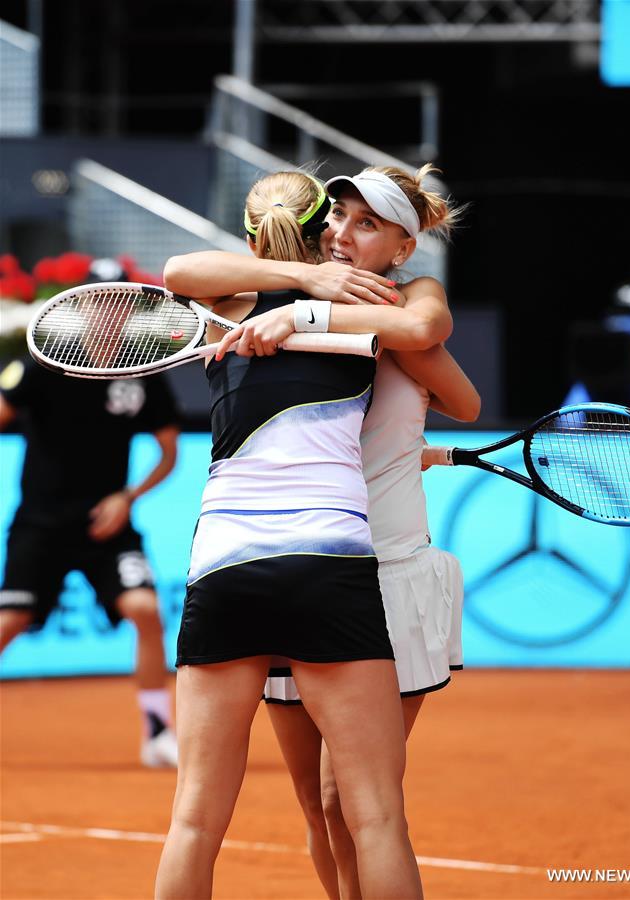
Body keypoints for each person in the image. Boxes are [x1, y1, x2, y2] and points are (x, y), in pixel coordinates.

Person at [157, 166, 479, 898]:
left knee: (204, 818)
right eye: (338, 215)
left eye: (367, 223)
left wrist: (302, 314)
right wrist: (307, 289)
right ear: (312, 230)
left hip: (260, 561)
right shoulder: (279, 294)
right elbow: (179, 270)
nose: (343, 231)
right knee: (358, 812)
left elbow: (434, 349)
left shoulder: (380, 305)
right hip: (331, 562)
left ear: (402, 246)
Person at [0, 261, 181, 769]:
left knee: (146, 612)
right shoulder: (44, 363)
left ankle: (157, 731)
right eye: (98, 300)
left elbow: (169, 453)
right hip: (39, 524)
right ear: (78, 305)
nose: (108, 311)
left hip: (108, 525)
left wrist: (128, 496)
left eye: (118, 301)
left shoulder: (142, 373)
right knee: (9, 621)